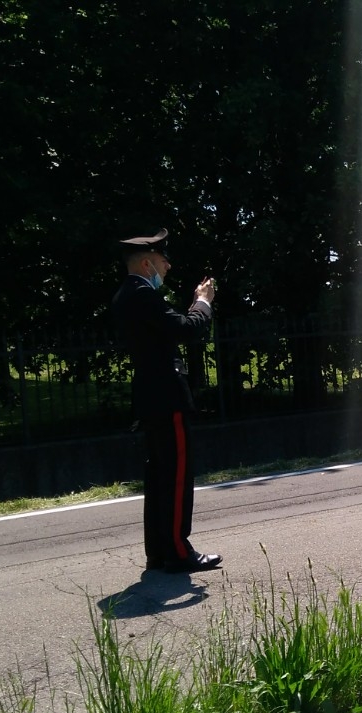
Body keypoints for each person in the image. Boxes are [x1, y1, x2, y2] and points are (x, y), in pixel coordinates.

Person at [111, 228, 223, 573]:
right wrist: (203, 301)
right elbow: (187, 328)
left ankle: (159, 551)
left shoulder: (127, 295)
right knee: (175, 475)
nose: (168, 266)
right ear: (147, 263)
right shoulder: (142, 295)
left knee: (159, 476)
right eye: (163, 260)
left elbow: (169, 329)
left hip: (151, 396)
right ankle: (176, 551)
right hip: (166, 396)